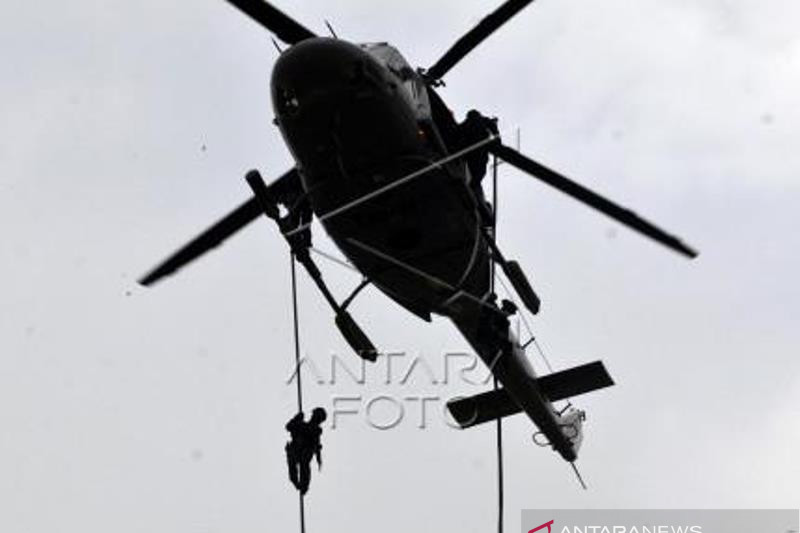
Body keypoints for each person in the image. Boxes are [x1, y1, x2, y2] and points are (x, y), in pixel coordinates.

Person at [285, 407, 327, 495]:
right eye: (314, 416)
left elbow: (317, 446)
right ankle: (299, 484)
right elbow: (288, 427)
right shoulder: (301, 425)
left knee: (304, 464)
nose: (315, 419)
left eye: (318, 419)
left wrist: (318, 458)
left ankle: (302, 485)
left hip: (304, 454)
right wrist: (297, 418)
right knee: (294, 464)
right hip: (295, 452)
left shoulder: (316, 431)